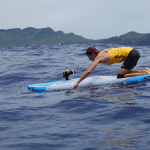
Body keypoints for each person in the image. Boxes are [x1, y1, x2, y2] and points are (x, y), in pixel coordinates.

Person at [72, 46, 150, 89]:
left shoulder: (99, 56)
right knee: (127, 73)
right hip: (133, 52)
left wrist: (78, 82)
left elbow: (89, 70)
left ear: (93, 54)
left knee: (120, 76)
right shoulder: (101, 55)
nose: (89, 59)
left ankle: (145, 73)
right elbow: (90, 67)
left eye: (89, 57)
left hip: (131, 54)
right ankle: (146, 70)